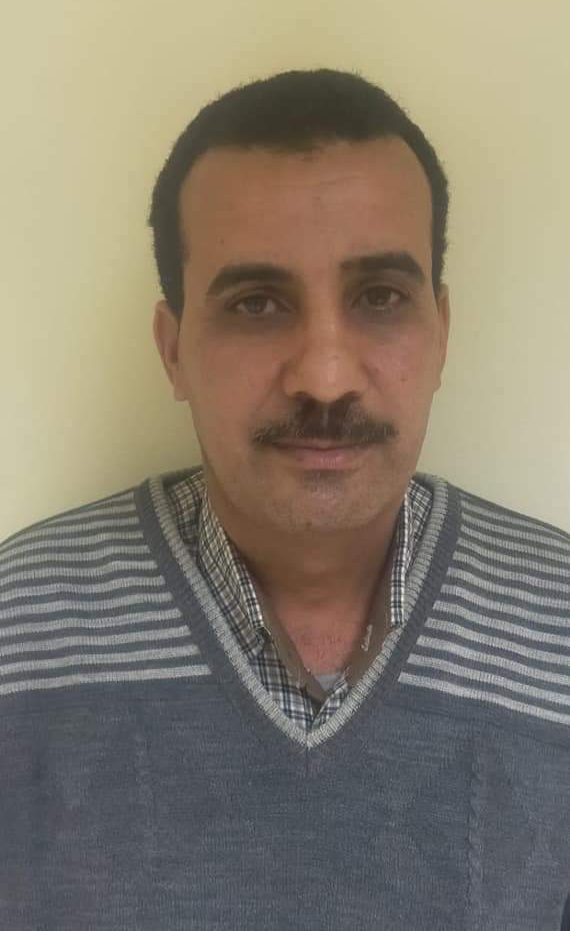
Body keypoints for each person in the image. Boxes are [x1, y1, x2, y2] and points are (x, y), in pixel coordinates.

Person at [1, 68, 569, 930]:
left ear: (442, 332)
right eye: (257, 304)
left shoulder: (556, 623)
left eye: (380, 298)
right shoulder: (22, 629)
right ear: (173, 351)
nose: (326, 376)